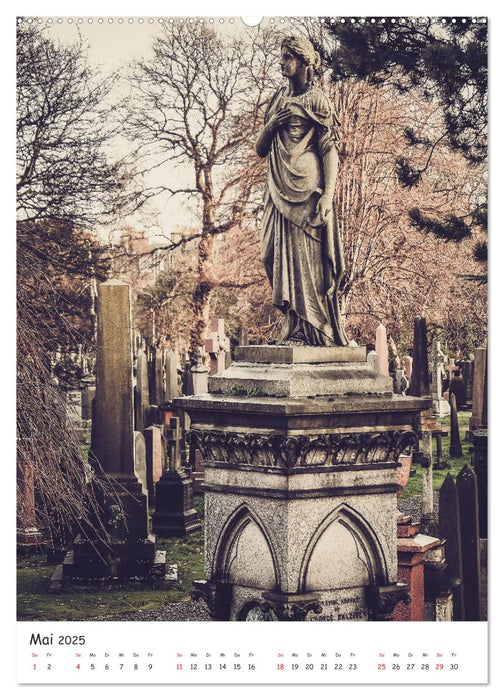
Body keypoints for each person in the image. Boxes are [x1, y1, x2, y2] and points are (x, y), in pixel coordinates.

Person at [256, 35, 348, 346]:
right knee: (269, 254)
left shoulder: (317, 100)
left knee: (307, 263)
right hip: (278, 187)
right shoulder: (277, 99)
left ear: (303, 63)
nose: (281, 63)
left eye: (286, 57)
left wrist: (329, 194)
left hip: (306, 188)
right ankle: (291, 324)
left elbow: (329, 149)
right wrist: (272, 124)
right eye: (281, 56)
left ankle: (309, 330)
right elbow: (259, 148)